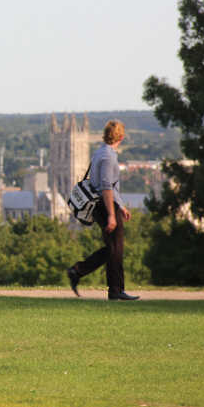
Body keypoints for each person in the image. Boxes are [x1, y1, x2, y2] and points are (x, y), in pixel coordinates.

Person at [67, 120, 139, 301]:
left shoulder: (100, 152)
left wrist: (121, 206)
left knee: (112, 249)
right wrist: (112, 215)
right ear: (121, 137)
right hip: (105, 205)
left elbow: (110, 186)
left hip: (107, 204)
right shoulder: (108, 157)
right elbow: (106, 187)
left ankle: (79, 271)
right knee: (116, 249)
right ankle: (114, 289)